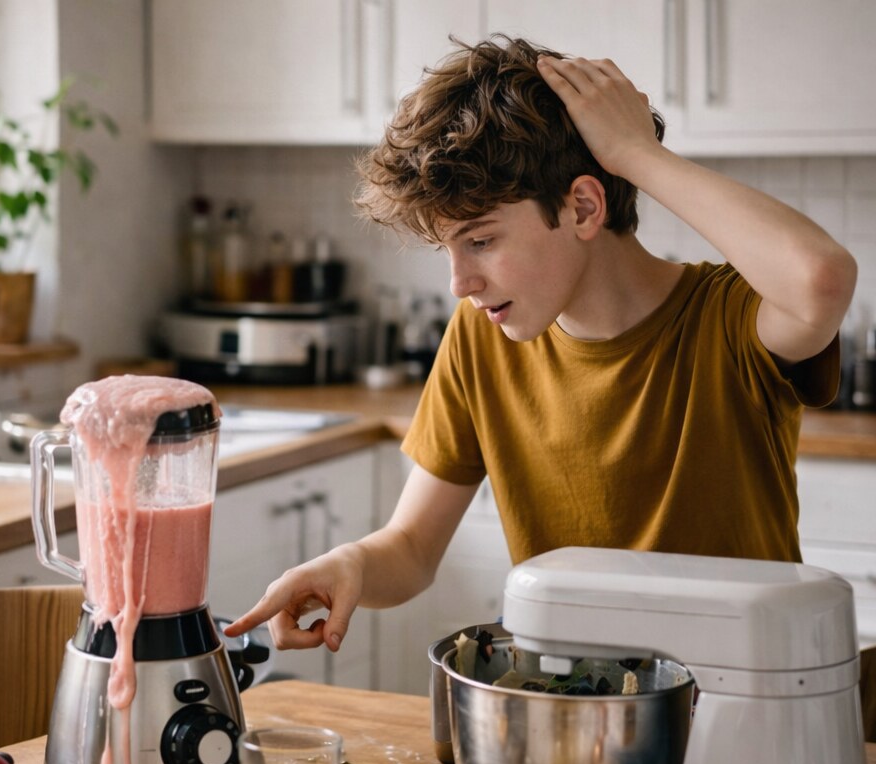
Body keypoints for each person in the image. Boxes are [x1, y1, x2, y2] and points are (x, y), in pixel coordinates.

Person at [223, 35, 856, 657]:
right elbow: (413, 548)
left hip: (741, 696)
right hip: (570, 702)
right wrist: (352, 562)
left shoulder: (727, 320)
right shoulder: (482, 336)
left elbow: (820, 280)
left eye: (481, 240)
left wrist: (636, 154)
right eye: (448, 249)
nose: (459, 283)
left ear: (583, 207)